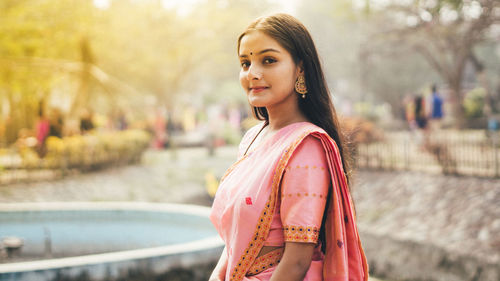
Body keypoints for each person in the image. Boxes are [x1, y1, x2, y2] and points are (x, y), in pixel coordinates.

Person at [209, 14, 368, 281]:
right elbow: (236, 240)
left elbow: (296, 262)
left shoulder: (306, 147)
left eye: (268, 60)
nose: (253, 73)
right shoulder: (252, 138)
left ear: (301, 69)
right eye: (245, 63)